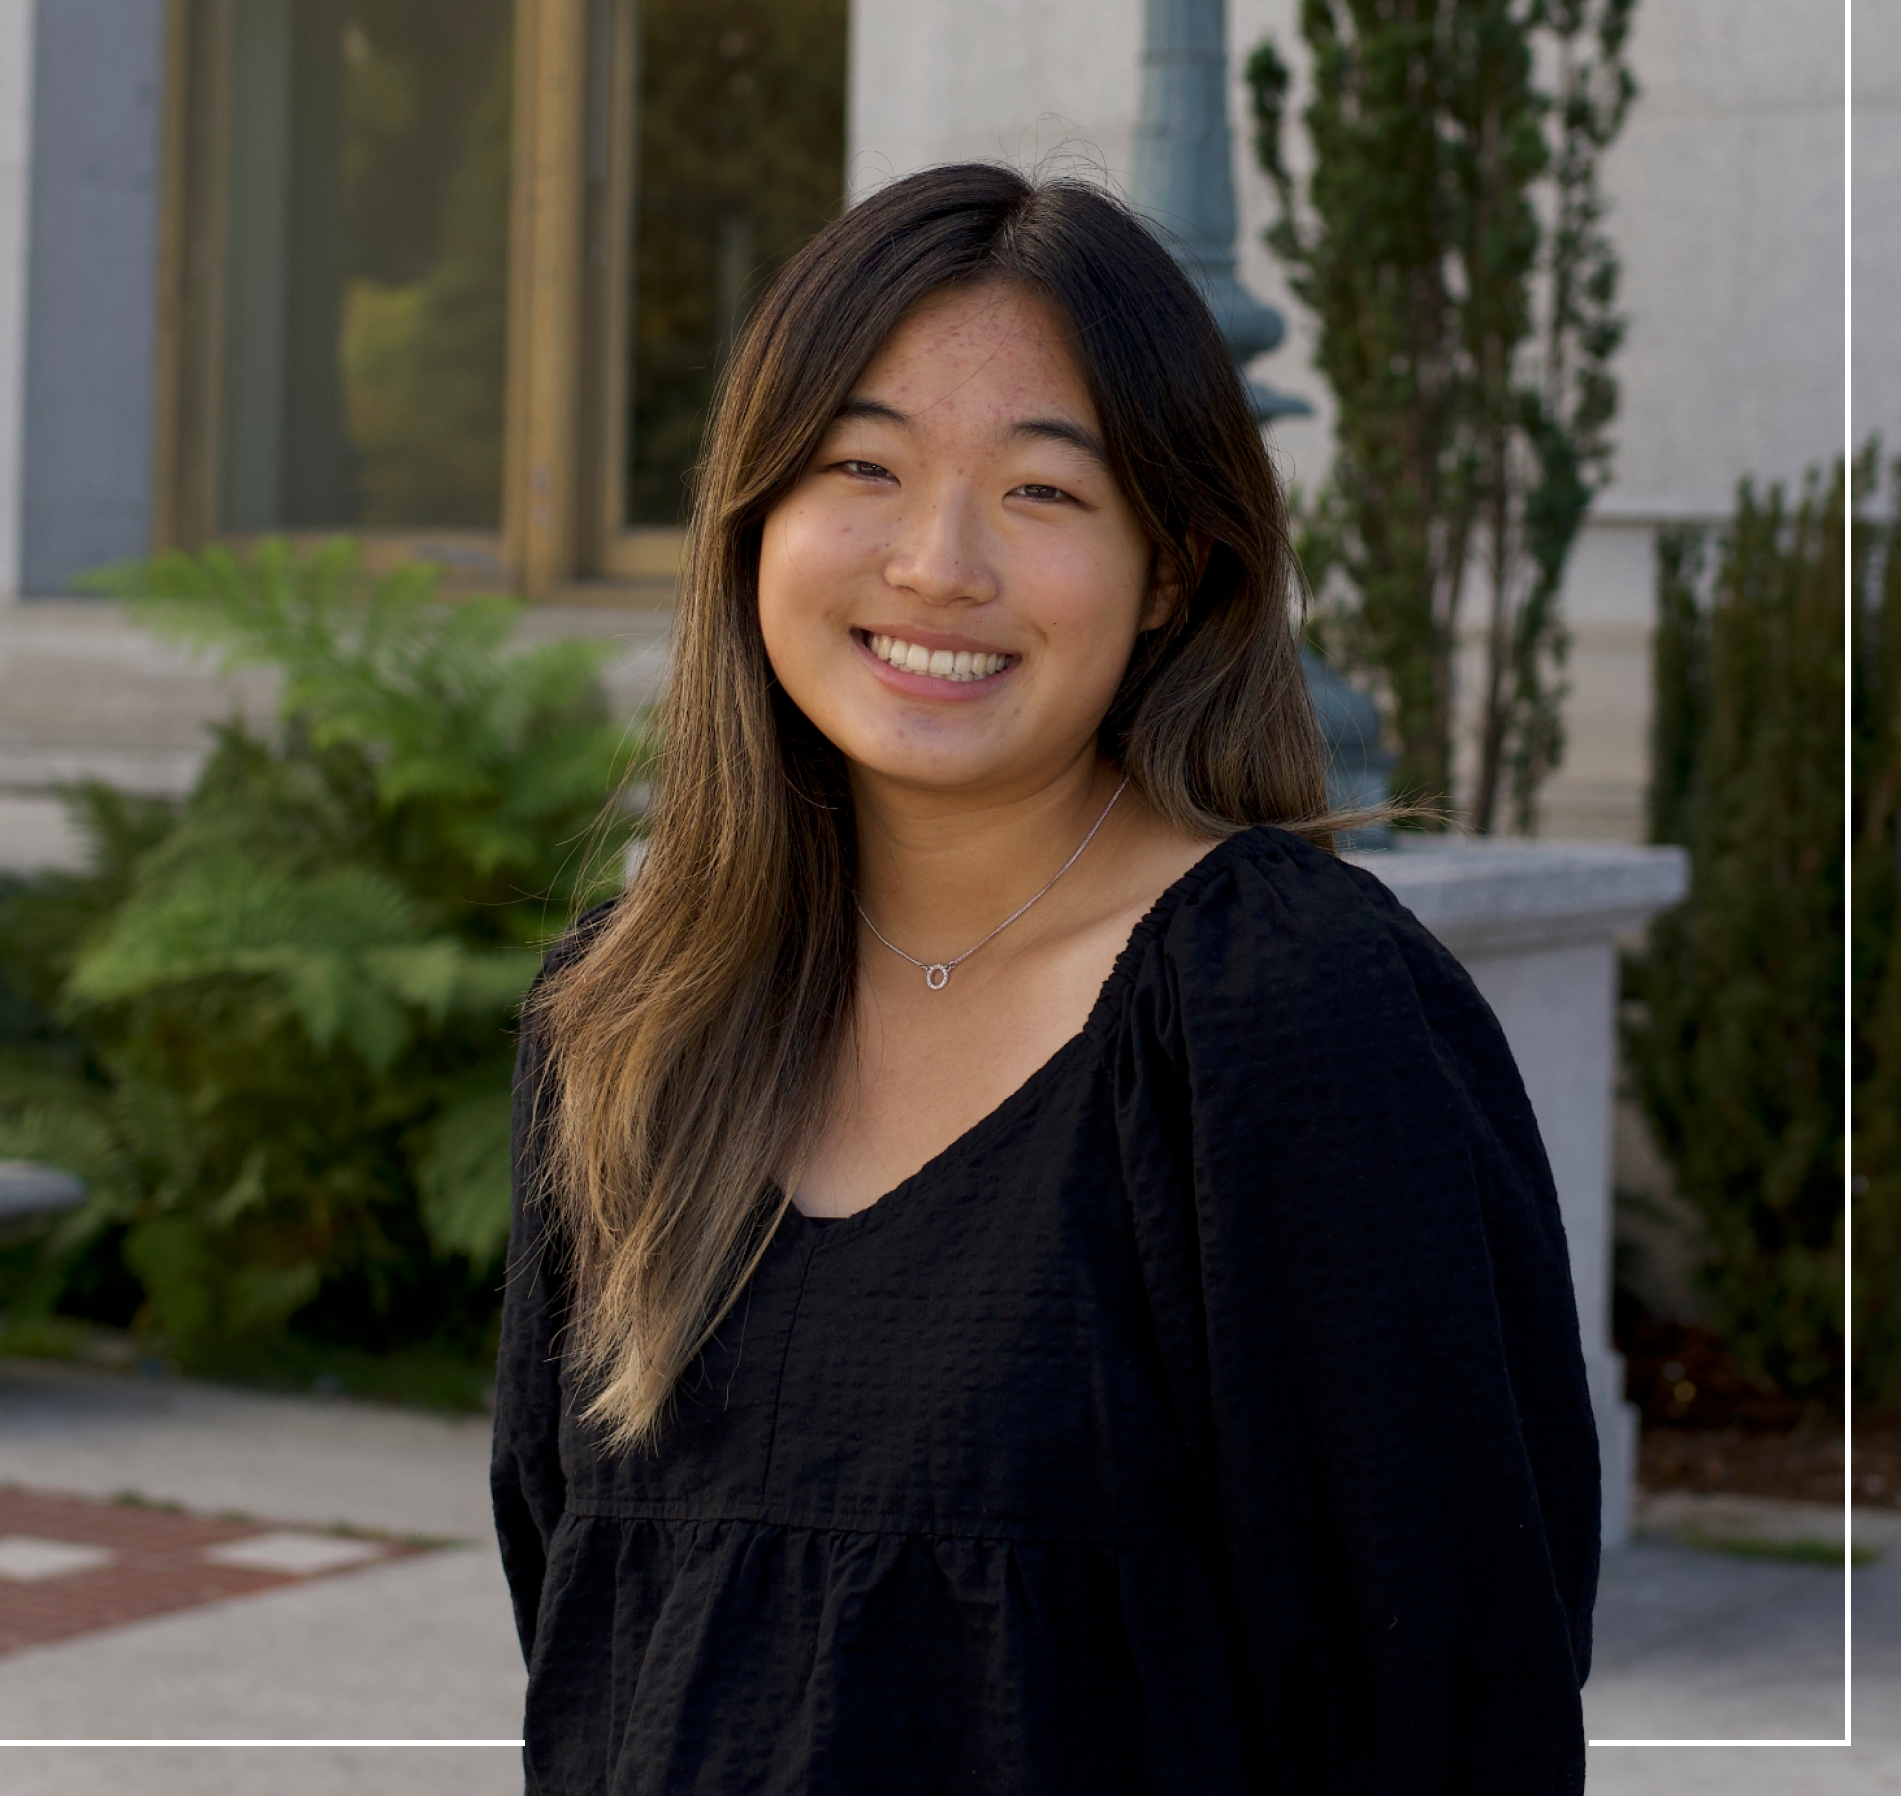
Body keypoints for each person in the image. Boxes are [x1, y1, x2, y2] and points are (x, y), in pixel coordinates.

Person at [492, 164, 1600, 1794]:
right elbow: (583, 1617)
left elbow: (1444, 1697)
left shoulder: (1287, 1014)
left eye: (1043, 493)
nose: (937, 564)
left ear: (1172, 572)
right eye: (861, 465)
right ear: (753, 521)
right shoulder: (634, 1014)